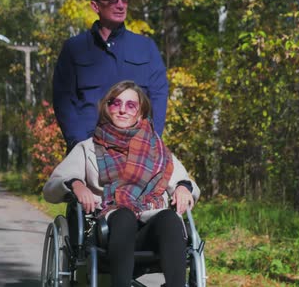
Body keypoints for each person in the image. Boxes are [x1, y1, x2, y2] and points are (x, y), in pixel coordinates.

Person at [43, 81, 199, 287]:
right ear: (107, 108)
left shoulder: (158, 149)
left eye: (131, 105)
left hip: (150, 228)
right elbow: (52, 188)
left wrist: (182, 188)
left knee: (170, 219)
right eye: (115, 103)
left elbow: (186, 182)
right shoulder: (88, 148)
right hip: (107, 230)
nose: (123, 110)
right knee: (123, 215)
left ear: (141, 113)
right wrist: (77, 185)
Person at [53, 0, 168, 152]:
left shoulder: (146, 48)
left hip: (136, 153)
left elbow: (159, 98)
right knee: (59, 180)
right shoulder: (74, 48)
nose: (121, 5)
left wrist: (150, 143)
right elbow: (64, 101)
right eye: (113, 0)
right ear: (95, 6)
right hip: (87, 151)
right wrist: (79, 145)